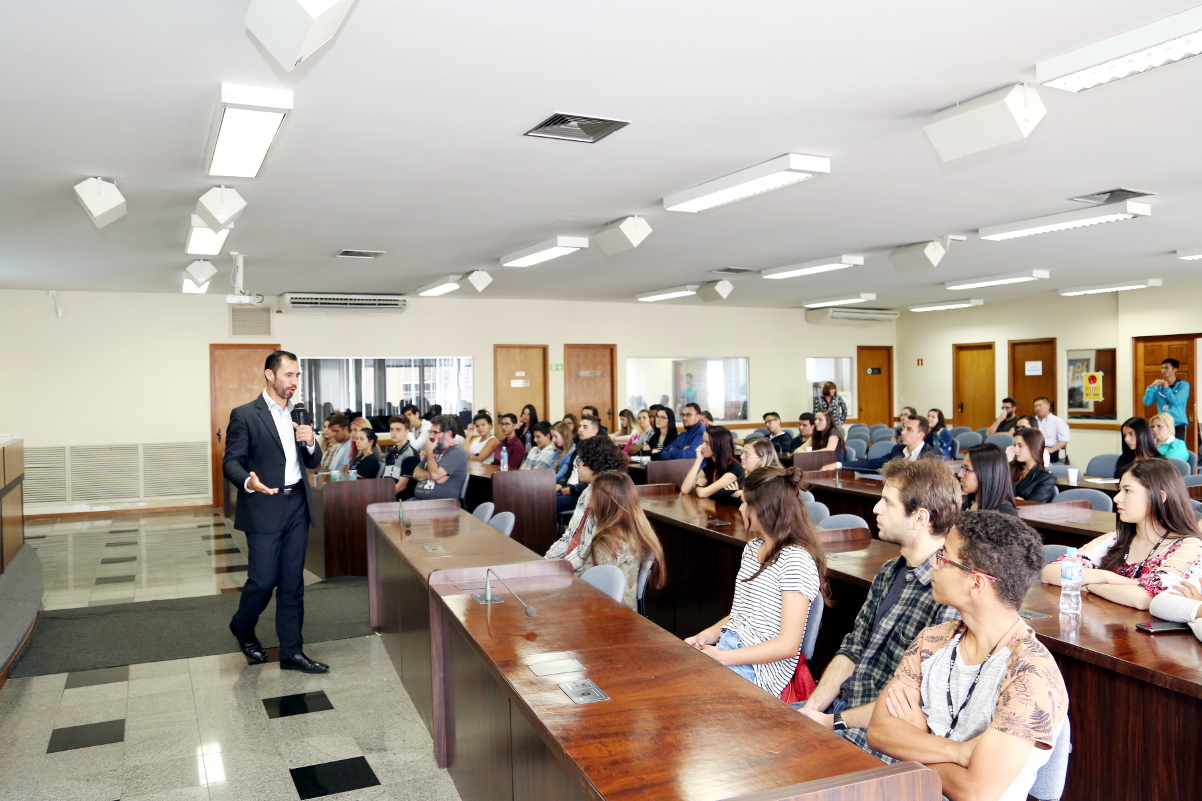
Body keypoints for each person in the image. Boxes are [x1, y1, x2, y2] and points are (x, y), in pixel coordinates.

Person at [867, 511, 1068, 801]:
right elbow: (880, 732)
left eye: (944, 556)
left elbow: (975, 792)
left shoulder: (1030, 675)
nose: (933, 563)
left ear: (976, 583)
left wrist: (916, 740)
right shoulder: (933, 640)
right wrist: (957, 752)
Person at [798, 457, 961, 754]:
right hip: (841, 711)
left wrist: (831, 721)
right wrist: (811, 711)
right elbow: (854, 648)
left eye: (887, 502)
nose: (876, 509)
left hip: (879, 735)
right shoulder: (889, 571)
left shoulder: (949, 595)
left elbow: (913, 701)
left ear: (919, 518)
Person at [224, 350, 328, 674]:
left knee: (292, 582)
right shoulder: (245, 415)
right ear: (269, 375)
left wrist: (311, 442)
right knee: (263, 579)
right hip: (264, 504)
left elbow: (312, 461)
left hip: (297, 502)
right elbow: (231, 462)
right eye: (288, 375)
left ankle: (292, 652)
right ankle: (242, 625)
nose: (294, 382)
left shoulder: (301, 414)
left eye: (297, 375)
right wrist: (248, 482)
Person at [685, 466, 828, 698]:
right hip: (732, 649)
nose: (741, 508)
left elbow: (788, 645)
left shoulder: (796, 560)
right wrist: (706, 636)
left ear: (763, 510)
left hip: (761, 669)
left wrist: (722, 657)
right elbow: (744, 613)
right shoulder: (753, 548)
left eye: (745, 503)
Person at [1043, 458, 1202, 609]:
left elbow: (1145, 598)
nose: (1117, 498)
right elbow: (1050, 572)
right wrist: (1107, 577)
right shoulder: (1116, 538)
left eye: (1128, 491)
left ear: (1159, 497)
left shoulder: (1188, 545)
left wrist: (1091, 586)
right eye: (1120, 490)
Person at [552, 470, 666, 609]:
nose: (590, 504)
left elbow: (589, 591)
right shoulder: (637, 530)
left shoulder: (607, 542)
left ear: (603, 502)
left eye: (593, 497)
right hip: (626, 612)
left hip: (606, 615)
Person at [546, 436, 629, 563]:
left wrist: (560, 567)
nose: (576, 465)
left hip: (585, 569)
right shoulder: (588, 491)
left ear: (595, 461)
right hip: (569, 562)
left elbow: (586, 552)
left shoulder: (605, 497)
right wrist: (547, 560)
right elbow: (569, 535)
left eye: (579, 460)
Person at [822, 417, 933, 472]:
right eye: (903, 428)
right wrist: (839, 465)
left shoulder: (932, 455)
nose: (903, 432)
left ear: (921, 435)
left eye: (909, 429)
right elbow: (871, 464)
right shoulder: (897, 450)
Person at [682, 426, 744, 506]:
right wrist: (698, 461)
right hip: (714, 510)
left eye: (707, 443)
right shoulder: (711, 465)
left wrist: (699, 485)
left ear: (719, 445)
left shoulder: (735, 469)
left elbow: (703, 493)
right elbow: (685, 489)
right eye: (703, 442)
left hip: (730, 514)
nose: (703, 446)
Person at [412, 415, 469, 501]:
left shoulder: (456, 452)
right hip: (421, 501)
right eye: (430, 432)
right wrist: (431, 475)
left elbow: (435, 474)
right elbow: (416, 473)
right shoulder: (435, 450)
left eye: (435, 432)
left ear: (448, 434)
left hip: (442, 505)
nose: (431, 436)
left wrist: (429, 452)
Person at [557, 415, 603, 511]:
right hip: (568, 487)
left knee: (548, 502)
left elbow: (591, 482)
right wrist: (559, 485)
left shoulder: (598, 452)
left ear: (595, 431)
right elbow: (568, 473)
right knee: (543, 498)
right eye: (580, 426)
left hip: (580, 494)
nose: (580, 430)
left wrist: (566, 490)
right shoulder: (577, 448)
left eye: (585, 427)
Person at [958, 445, 1017, 516]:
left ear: (986, 473)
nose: (960, 474)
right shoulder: (965, 501)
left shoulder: (1004, 513)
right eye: (962, 467)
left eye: (966, 469)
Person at [1143, 358, 1191, 441]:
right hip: (1162, 424)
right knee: (1161, 449)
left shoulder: (1183, 385)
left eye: (1166, 368)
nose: (1163, 370)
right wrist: (1151, 386)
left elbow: (1176, 401)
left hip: (1178, 423)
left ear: (1175, 370)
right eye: (1162, 368)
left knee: (1176, 450)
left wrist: (1166, 388)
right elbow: (1147, 402)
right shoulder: (1158, 387)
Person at [1010, 428, 1056, 502]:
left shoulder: (1046, 477)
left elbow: (1034, 506)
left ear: (1034, 447)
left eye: (1020, 446)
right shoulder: (1009, 468)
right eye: (1015, 445)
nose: (1015, 450)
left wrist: (1019, 502)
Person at [384, 416, 420, 499]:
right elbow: (385, 480)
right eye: (391, 429)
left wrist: (382, 496)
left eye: (398, 429)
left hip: (405, 501)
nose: (393, 433)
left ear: (407, 431)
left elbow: (402, 486)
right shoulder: (391, 455)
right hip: (391, 497)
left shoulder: (410, 456)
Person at [1033, 397, 1069, 463]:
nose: (1037, 408)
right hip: (1033, 449)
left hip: (1050, 451)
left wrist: (1052, 450)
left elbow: (1064, 440)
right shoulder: (1032, 421)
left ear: (1048, 406)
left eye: (1040, 406)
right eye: (1035, 406)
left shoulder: (1057, 421)